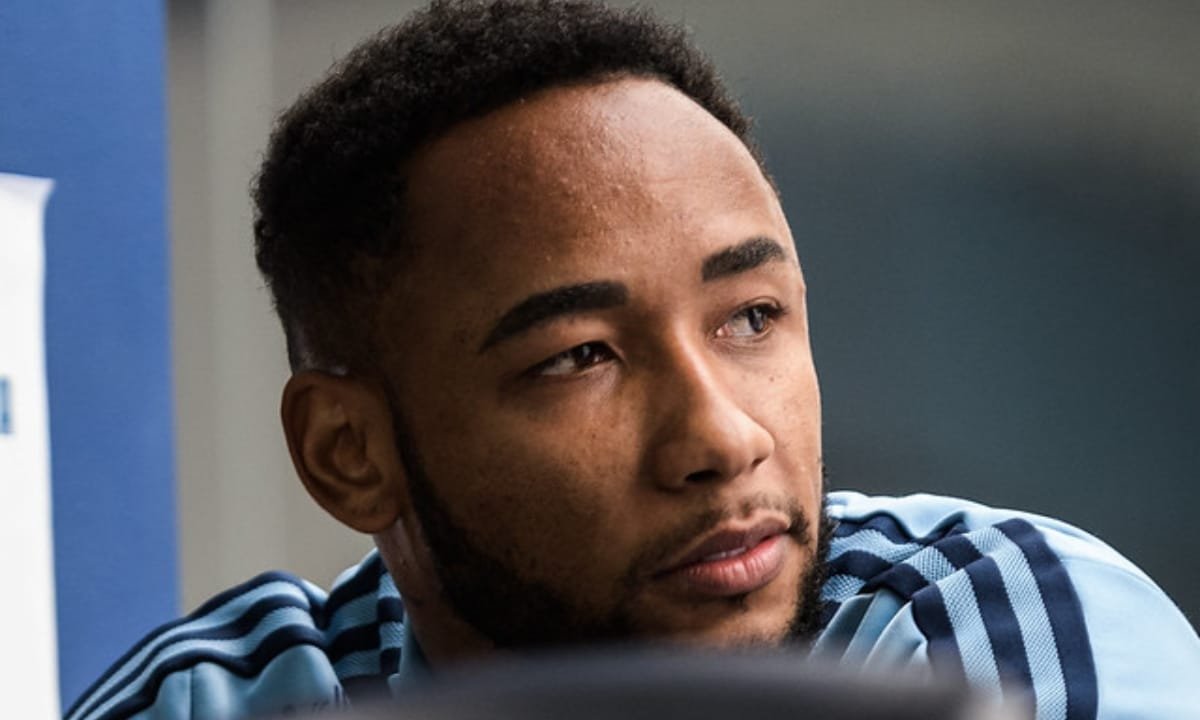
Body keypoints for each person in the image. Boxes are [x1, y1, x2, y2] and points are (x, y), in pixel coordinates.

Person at [67, 1, 1198, 719]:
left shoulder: (993, 638)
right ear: (349, 453)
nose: (722, 438)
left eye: (750, 318)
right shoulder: (224, 697)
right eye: (583, 357)